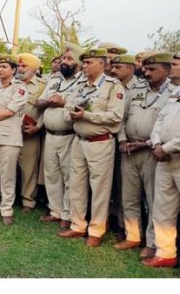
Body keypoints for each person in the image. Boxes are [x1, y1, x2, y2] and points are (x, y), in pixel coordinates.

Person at [58, 48, 125, 247]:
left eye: (89, 63)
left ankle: (96, 230)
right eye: (84, 63)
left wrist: (86, 116)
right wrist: (69, 114)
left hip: (100, 142)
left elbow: (115, 116)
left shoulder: (113, 86)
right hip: (79, 140)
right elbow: (68, 106)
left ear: (103, 64)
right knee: (76, 184)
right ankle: (78, 225)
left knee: (99, 189)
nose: (84, 66)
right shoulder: (80, 85)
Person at [116, 53, 172, 255]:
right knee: (128, 197)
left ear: (166, 70)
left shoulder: (173, 93)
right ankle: (133, 236)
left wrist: (146, 143)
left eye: (152, 69)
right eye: (146, 69)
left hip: (153, 152)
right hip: (129, 149)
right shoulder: (137, 89)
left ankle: (152, 243)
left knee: (154, 199)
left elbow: (169, 126)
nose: (146, 73)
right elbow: (121, 119)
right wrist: (122, 140)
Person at [36, 43, 83, 229]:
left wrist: (62, 102)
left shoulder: (82, 81)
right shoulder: (54, 79)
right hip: (50, 134)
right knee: (51, 174)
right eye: (63, 58)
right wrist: (49, 101)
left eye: (69, 59)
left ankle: (67, 213)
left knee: (69, 176)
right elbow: (39, 101)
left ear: (79, 63)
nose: (64, 61)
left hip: (69, 135)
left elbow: (80, 107)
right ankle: (54, 210)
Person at [142, 54, 180, 268]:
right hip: (164, 157)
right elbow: (161, 120)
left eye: (174, 65)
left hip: (174, 154)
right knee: (163, 207)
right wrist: (157, 143)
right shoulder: (175, 93)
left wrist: (165, 147)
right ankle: (165, 253)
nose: (171, 68)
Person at [0, 54, 27, 225]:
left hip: (8, 139)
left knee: (7, 177)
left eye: (4, 67)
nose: (0, 70)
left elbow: (9, 111)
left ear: (13, 70)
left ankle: (6, 210)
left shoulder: (19, 88)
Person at [15, 53, 46, 213]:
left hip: (30, 133)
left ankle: (28, 201)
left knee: (29, 168)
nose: (20, 69)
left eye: (24, 66)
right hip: (10, 132)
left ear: (33, 68)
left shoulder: (42, 85)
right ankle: (6, 196)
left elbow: (46, 111)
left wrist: (38, 127)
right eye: (18, 66)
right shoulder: (12, 83)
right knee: (7, 167)